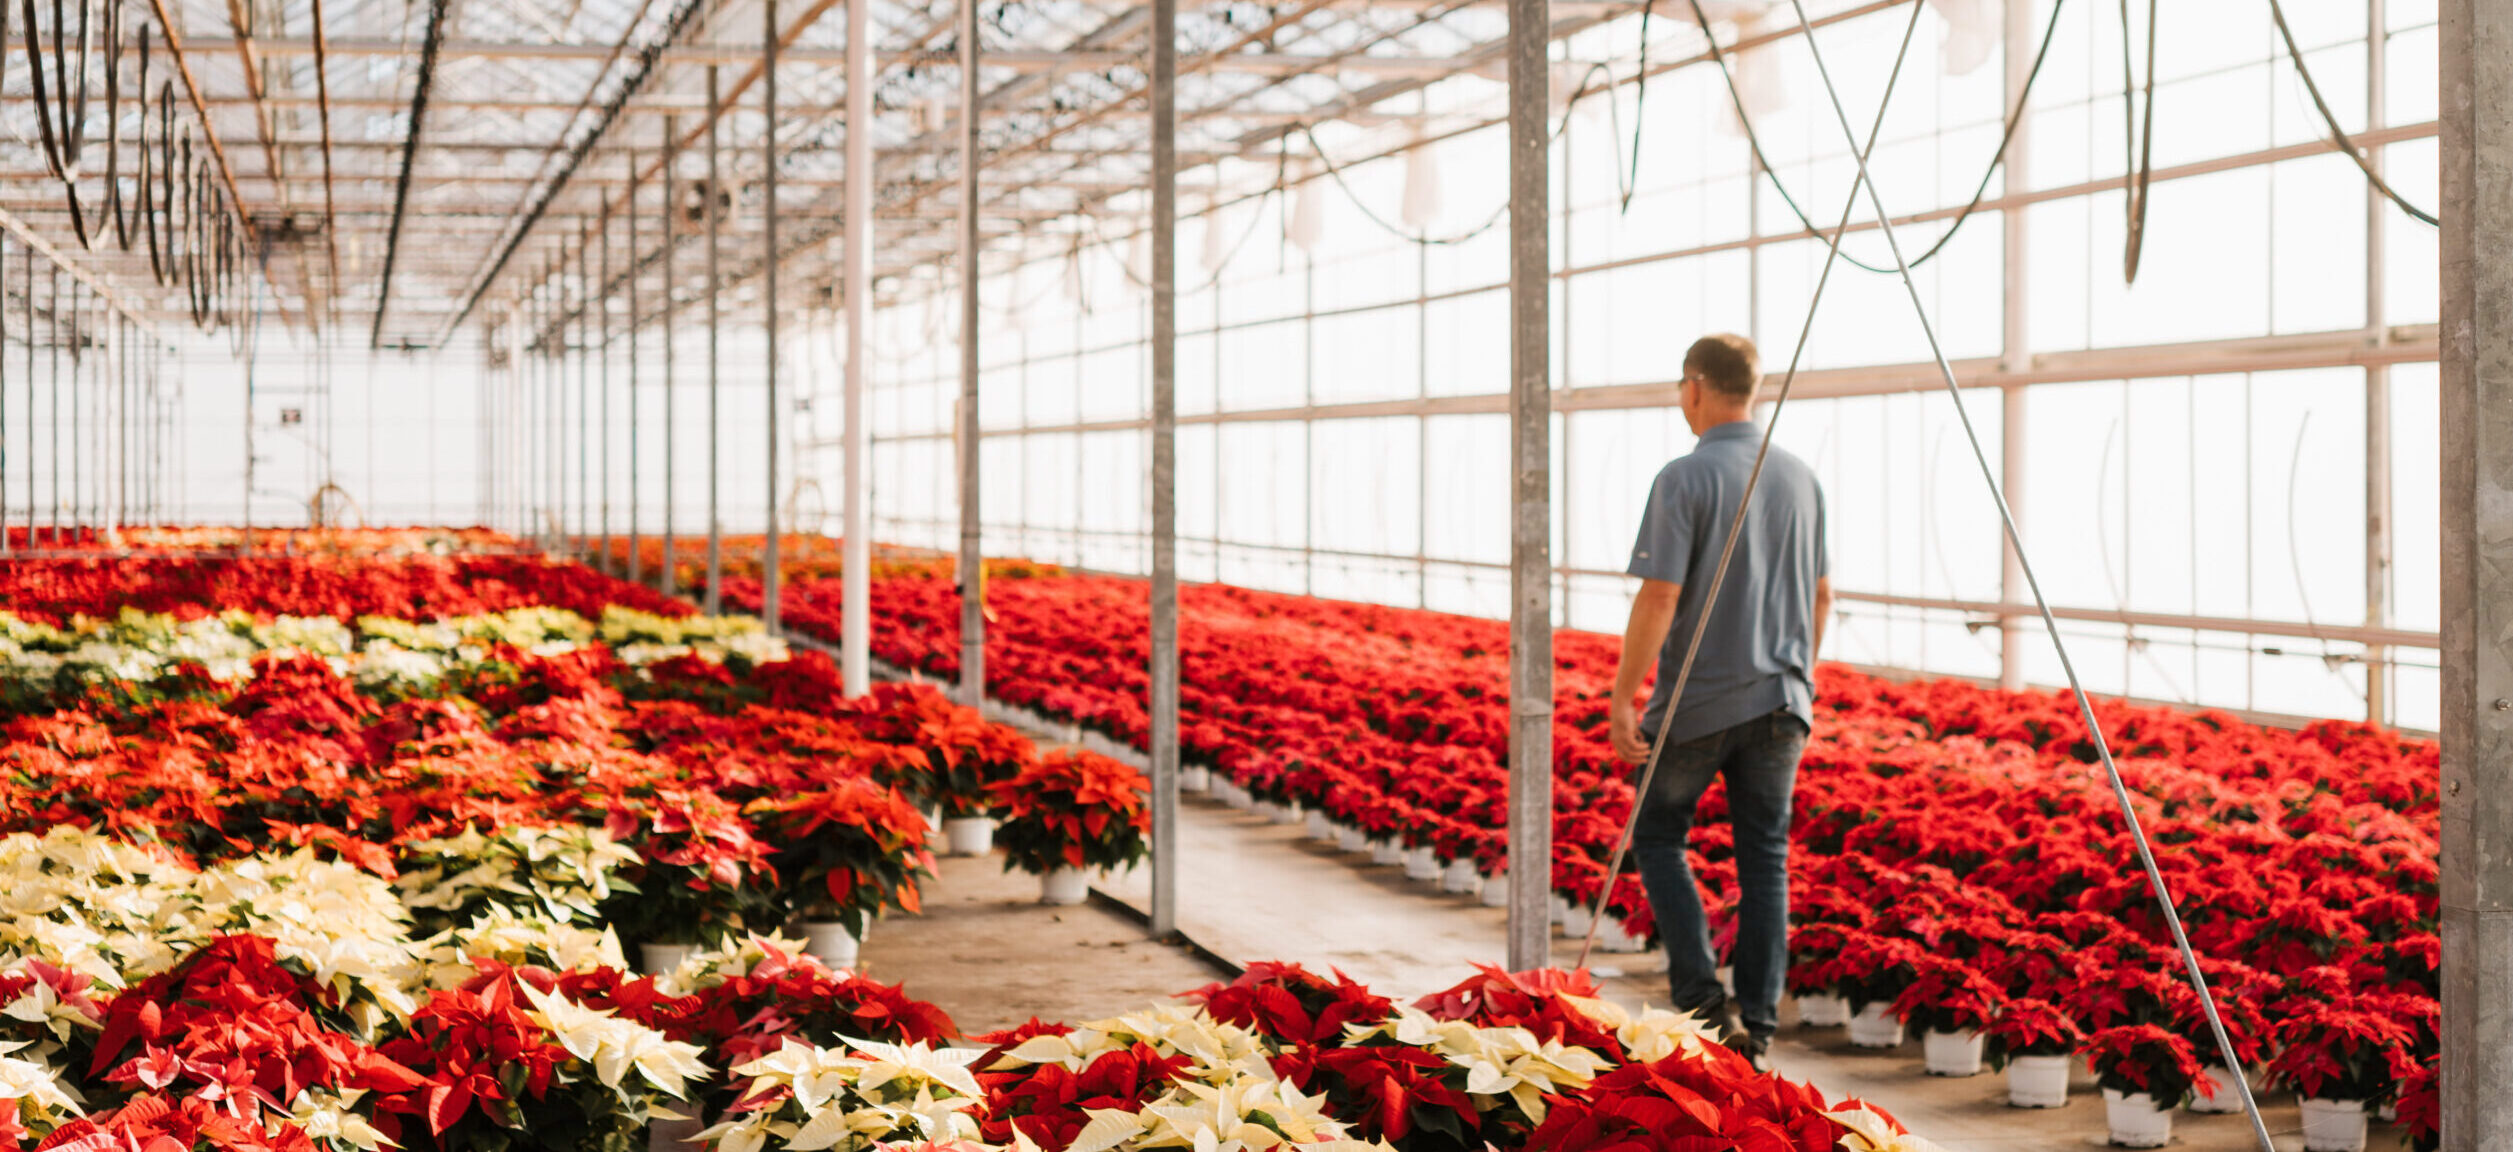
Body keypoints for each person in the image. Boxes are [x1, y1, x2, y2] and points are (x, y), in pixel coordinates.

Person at [1607, 332, 1832, 1071]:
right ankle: (1757, 1030)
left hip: (1697, 706)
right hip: (1782, 704)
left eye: (1680, 387)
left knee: (1658, 835)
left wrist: (1622, 696)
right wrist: (1800, 674)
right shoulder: (1800, 478)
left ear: (1695, 386)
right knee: (1764, 860)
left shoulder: (1684, 477)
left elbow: (1660, 596)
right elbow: (1821, 594)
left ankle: (1704, 1005)